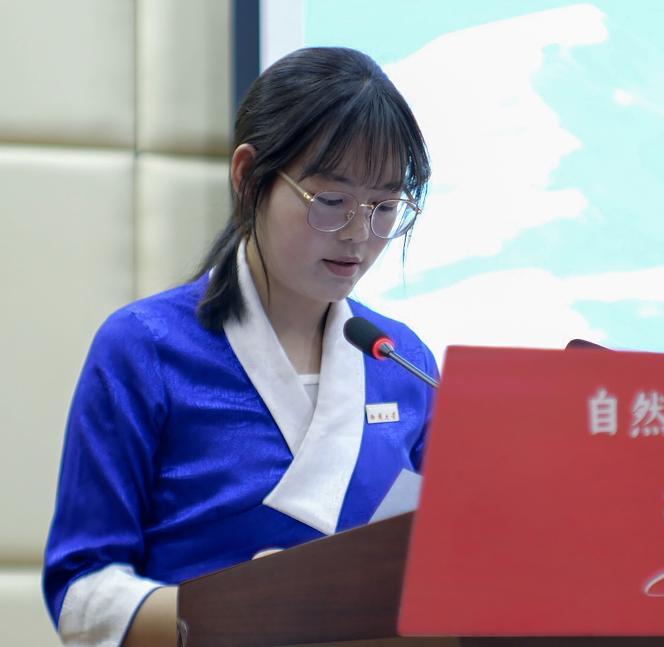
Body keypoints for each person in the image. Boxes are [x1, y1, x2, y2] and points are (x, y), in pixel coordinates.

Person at [42, 47, 438, 647]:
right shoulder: (145, 348)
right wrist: (241, 609)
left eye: (385, 208)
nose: (360, 233)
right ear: (250, 177)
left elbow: (447, 569)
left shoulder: (402, 360)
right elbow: (82, 594)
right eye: (331, 201)